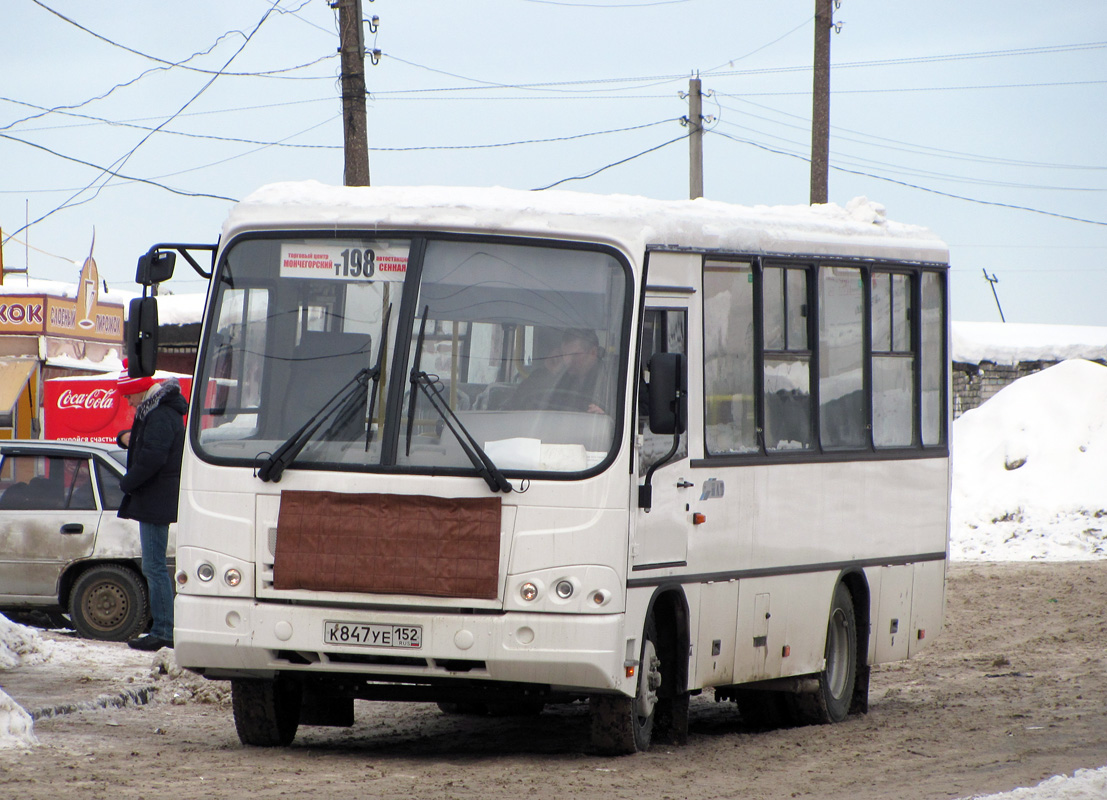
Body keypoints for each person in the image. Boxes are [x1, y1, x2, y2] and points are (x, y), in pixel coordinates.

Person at [116, 369, 188, 651]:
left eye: (129, 396)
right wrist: (127, 437)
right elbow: (152, 447)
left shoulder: (158, 414)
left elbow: (154, 457)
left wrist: (127, 482)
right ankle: (163, 628)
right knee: (155, 566)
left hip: (156, 499)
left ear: (139, 389)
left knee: (154, 567)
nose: (129, 402)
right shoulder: (160, 410)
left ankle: (164, 631)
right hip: (158, 497)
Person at [548, 329, 609, 414]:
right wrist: (550, 375)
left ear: (593, 352)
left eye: (575, 355)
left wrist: (605, 415)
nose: (567, 361)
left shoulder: (611, 381)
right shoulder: (561, 378)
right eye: (564, 354)